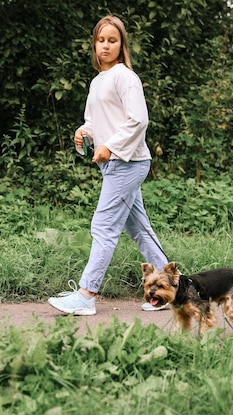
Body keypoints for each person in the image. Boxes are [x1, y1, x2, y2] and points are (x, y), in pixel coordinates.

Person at [47, 15, 169, 315]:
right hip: (115, 164)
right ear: (94, 44)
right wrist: (84, 133)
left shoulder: (125, 77)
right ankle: (173, 291)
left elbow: (138, 120)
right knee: (140, 229)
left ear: (121, 44)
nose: (105, 46)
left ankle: (86, 295)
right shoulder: (98, 80)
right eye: (101, 40)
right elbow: (95, 121)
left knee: (103, 226)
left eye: (112, 40)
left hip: (129, 162)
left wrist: (109, 147)